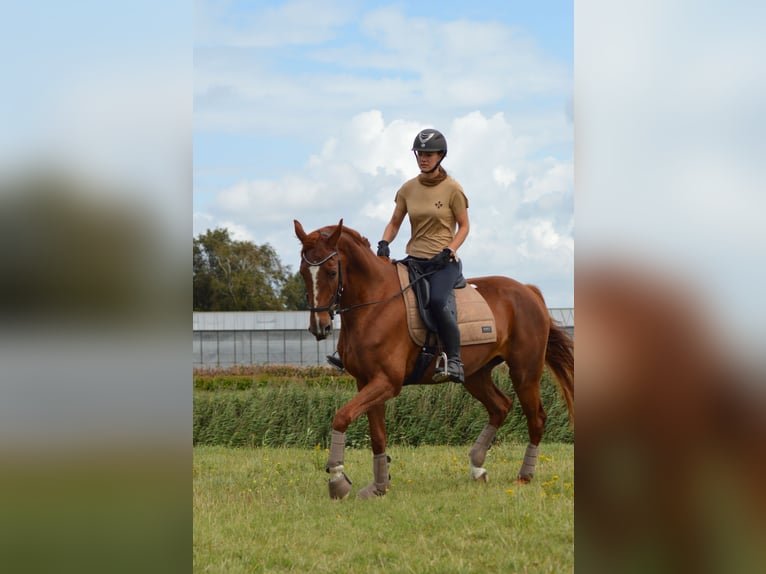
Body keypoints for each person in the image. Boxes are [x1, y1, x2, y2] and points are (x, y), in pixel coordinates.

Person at [376, 128, 470, 383]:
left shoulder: (453, 189)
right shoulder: (407, 189)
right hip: (414, 261)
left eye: (429, 153)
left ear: (441, 155)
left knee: (438, 301)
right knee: (383, 295)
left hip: (443, 264)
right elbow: (395, 222)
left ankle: (455, 360)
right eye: (420, 153)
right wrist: (385, 241)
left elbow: (464, 226)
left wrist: (450, 250)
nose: (423, 158)